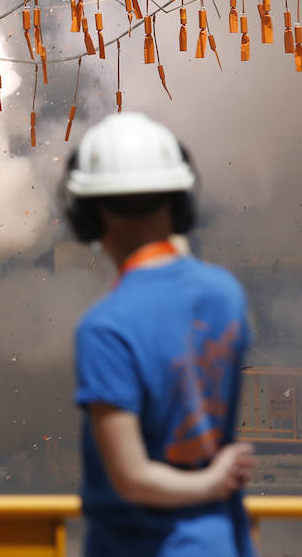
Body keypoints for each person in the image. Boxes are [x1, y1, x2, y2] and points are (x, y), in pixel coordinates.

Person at [65, 112, 257, 557]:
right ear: (181, 202)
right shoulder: (224, 293)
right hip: (222, 542)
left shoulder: (105, 327)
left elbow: (133, 479)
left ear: (87, 215)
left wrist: (211, 481)